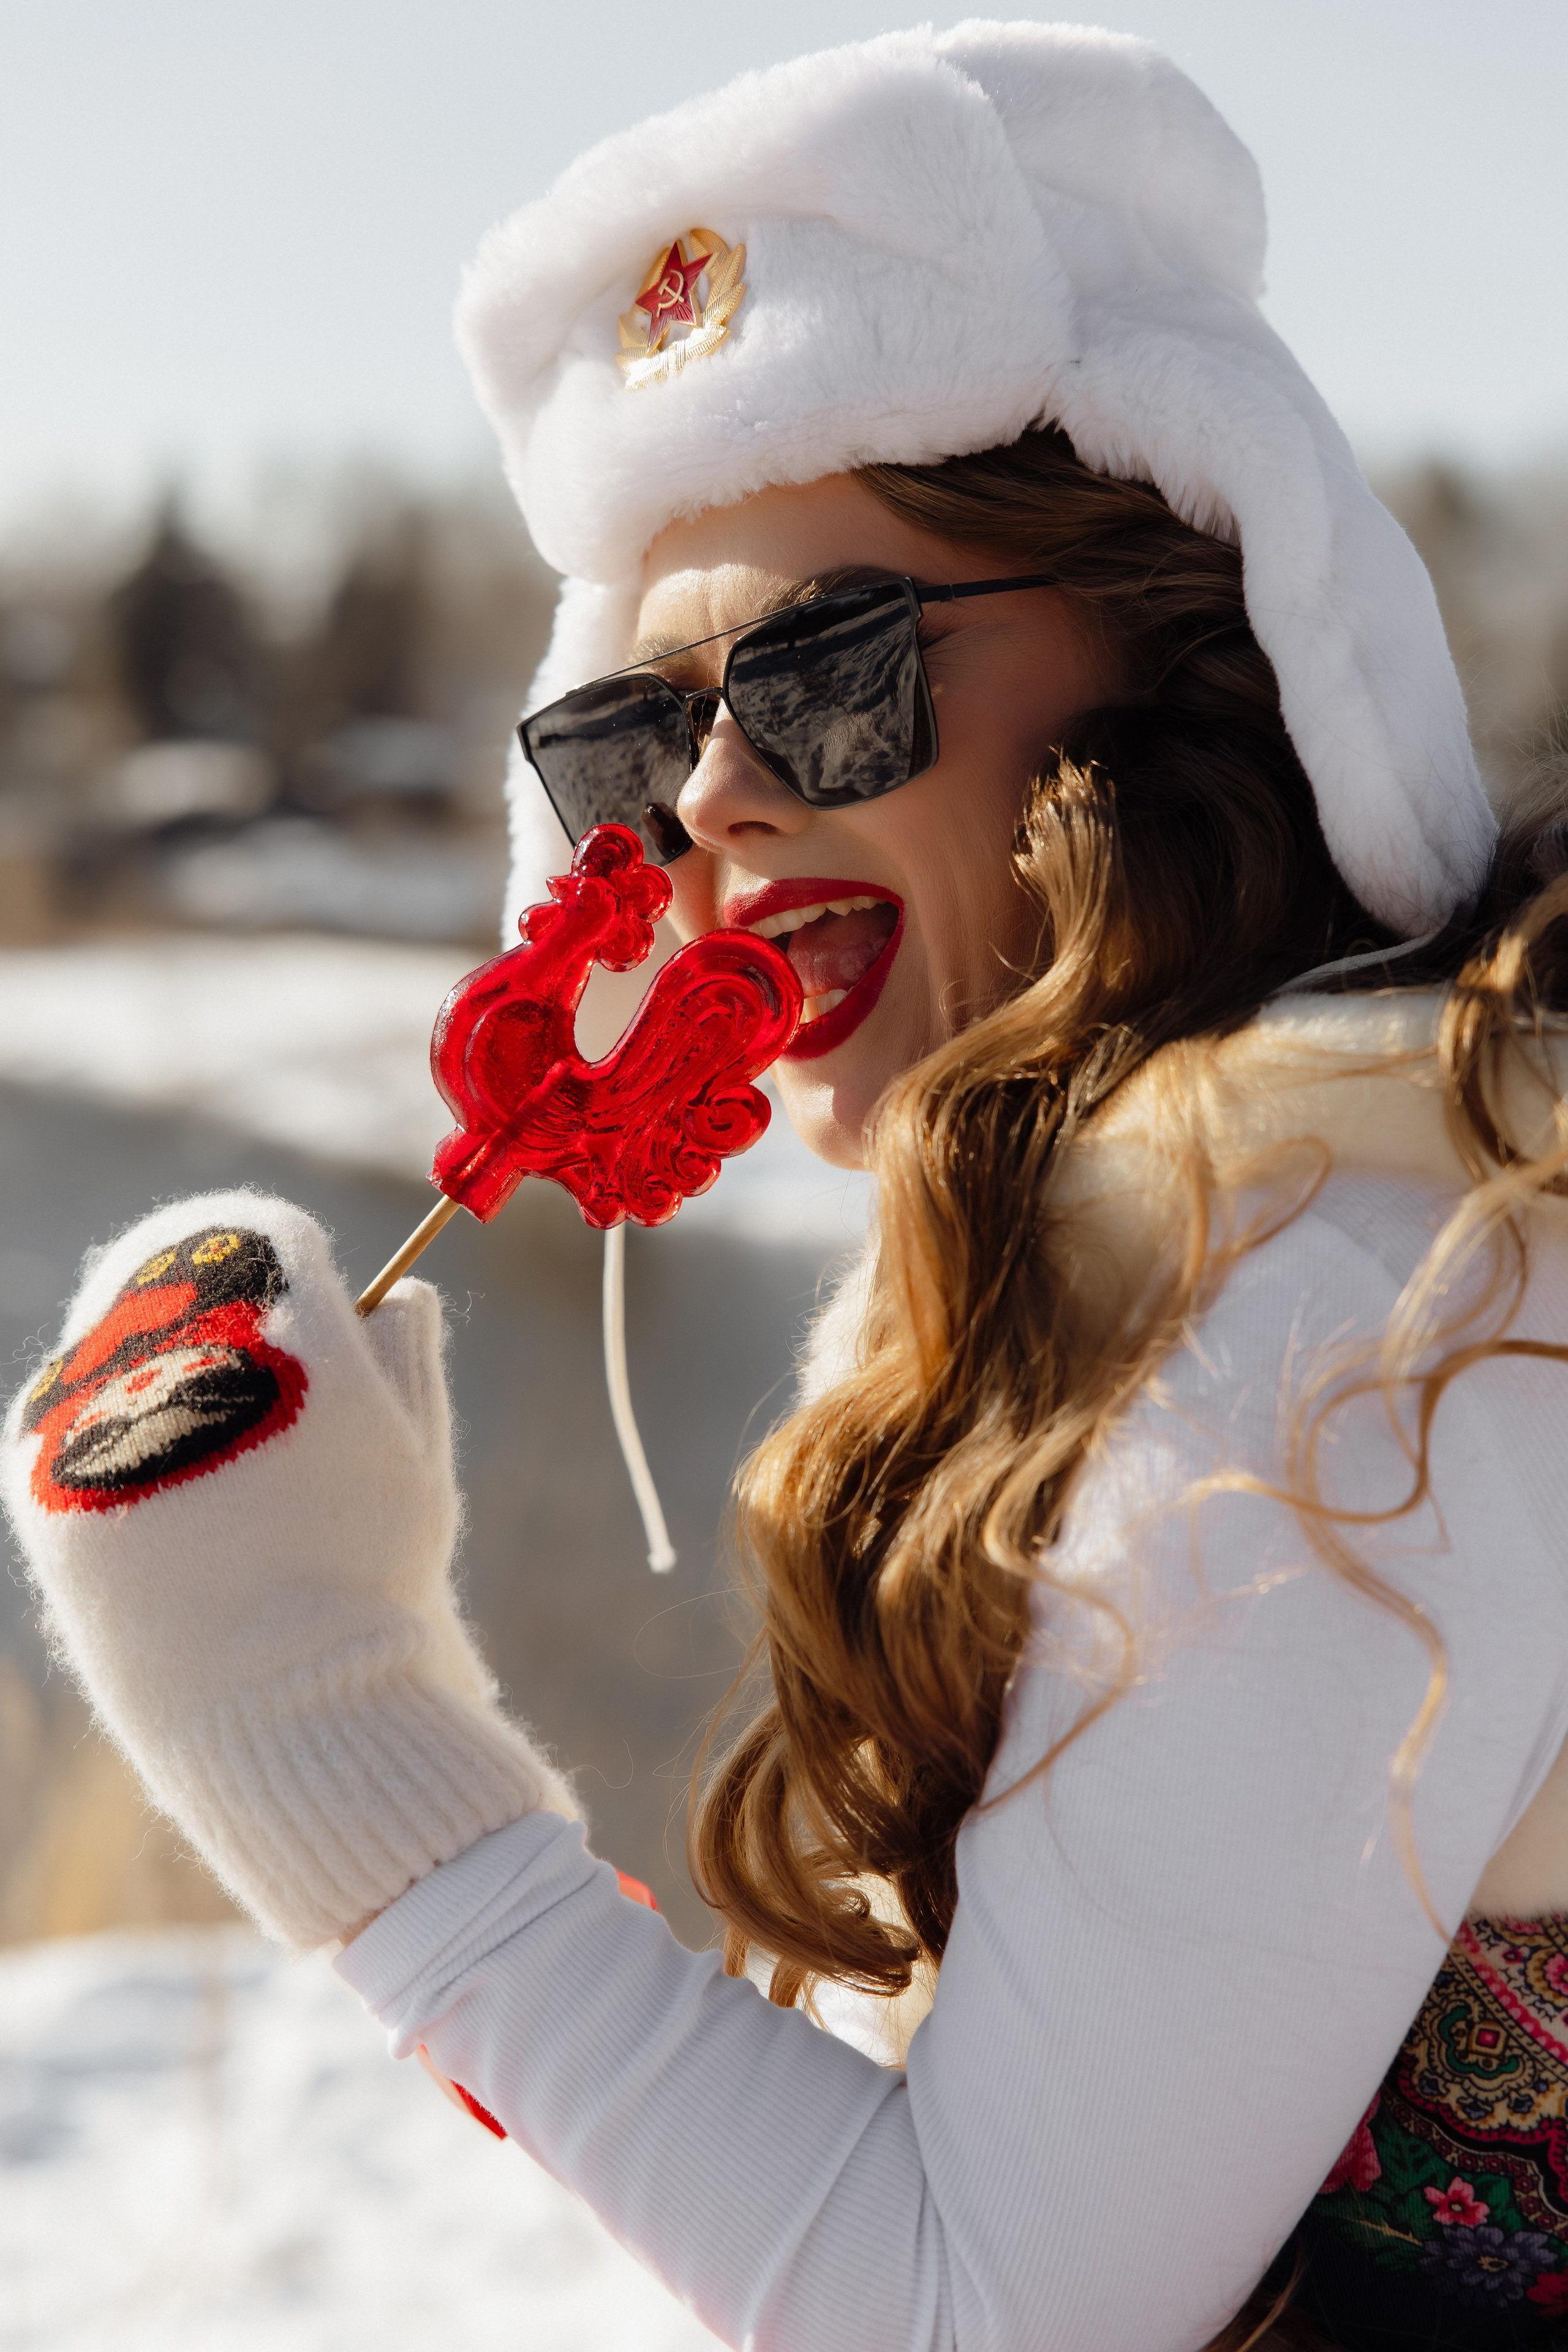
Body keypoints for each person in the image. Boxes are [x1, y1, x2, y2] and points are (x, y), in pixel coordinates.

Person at [6, 24, 1567, 2351]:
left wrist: (314, 1718)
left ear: (1198, 668)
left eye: (829, 674)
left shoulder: (1360, 1309)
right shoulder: (1203, 1255)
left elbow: (973, 2311)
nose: (716, 797)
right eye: (634, 736)